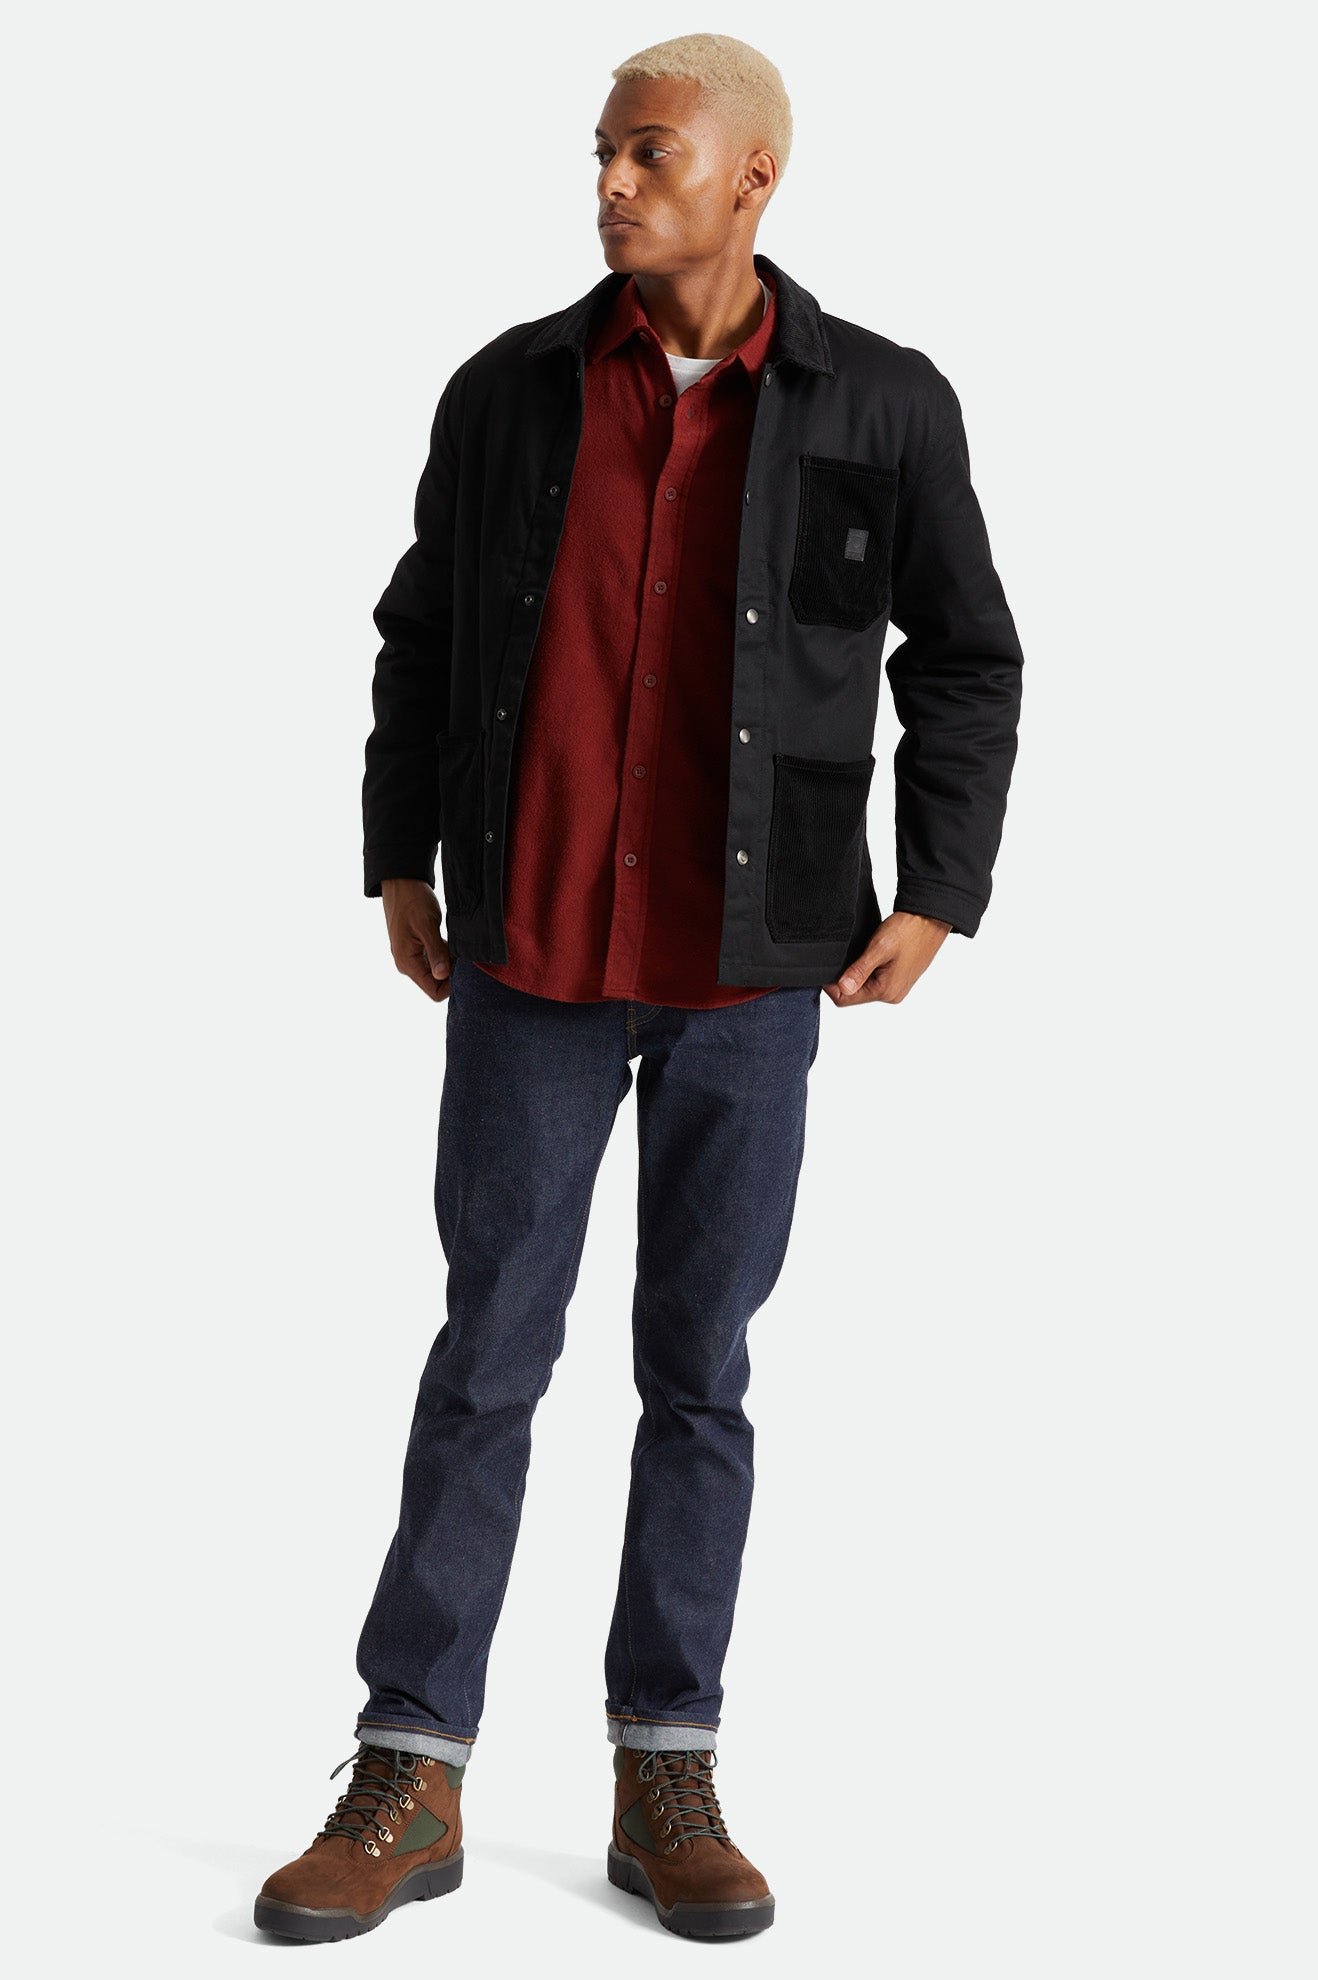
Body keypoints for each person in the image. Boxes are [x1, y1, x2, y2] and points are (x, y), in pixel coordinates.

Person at [255, 29, 1024, 1945]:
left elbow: (966, 658)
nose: (607, 182)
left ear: (753, 177)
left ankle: (663, 1764)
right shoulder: (507, 392)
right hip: (529, 956)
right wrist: (398, 854)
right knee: (486, 1357)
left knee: (699, 1375)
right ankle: (411, 1768)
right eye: (598, 150)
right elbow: (421, 633)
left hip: (752, 976)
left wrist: (939, 890)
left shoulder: (882, 403)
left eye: (648, 152)